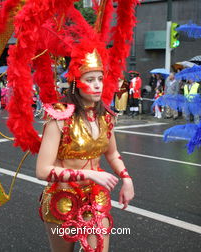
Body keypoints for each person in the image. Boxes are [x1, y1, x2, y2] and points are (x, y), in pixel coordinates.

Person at [36, 48, 134, 252]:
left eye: (100, 78)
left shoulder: (106, 117)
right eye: (89, 79)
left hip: (95, 196)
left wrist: (126, 178)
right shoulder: (59, 118)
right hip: (61, 198)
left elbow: (112, 153)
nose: (97, 84)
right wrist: (89, 173)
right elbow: (43, 170)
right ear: (75, 83)